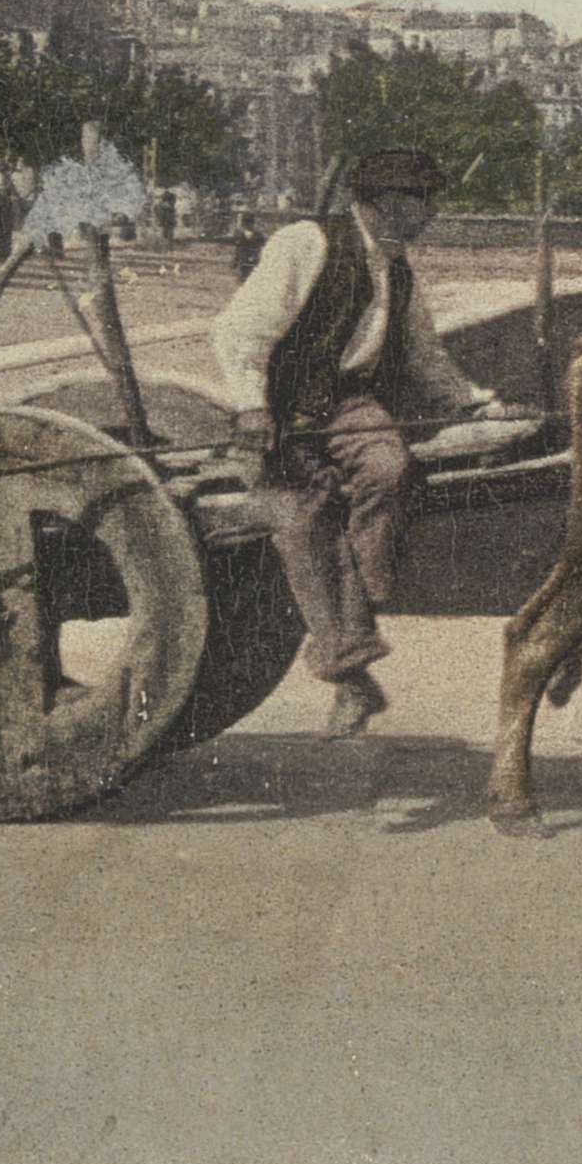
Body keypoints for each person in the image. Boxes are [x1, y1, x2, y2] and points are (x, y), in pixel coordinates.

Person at [211, 148, 526, 736]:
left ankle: (366, 578)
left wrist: (477, 403)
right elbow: (238, 332)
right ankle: (350, 666)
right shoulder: (306, 244)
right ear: (383, 204)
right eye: (422, 200)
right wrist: (253, 407)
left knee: (390, 466)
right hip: (282, 408)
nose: (431, 212)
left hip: (348, 402)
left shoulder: (398, 267)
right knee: (303, 522)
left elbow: (426, 358)